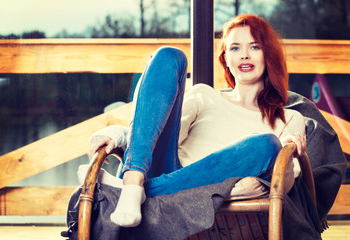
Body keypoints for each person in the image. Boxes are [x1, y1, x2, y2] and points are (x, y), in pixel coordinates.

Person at [79, 14, 306, 228]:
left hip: (200, 188)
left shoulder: (291, 118)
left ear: (268, 54)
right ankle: (132, 181)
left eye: (254, 47)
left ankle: (128, 190)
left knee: (266, 144)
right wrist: (117, 134)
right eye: (235, 48)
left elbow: (286, 179)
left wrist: (288, 147)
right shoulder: (203, 95)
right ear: (225, 58)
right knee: (168, 55)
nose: (244, 55)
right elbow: (155, 131)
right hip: (168, 168)